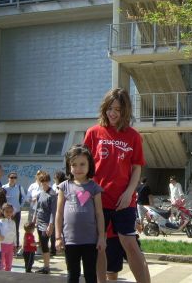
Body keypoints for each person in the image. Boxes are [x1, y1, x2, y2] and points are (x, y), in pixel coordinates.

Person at [84, 88, 150, 283]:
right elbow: (83, 165)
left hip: (124, 200)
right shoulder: (93, 133)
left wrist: (130, 192)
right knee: (100, 245)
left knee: (130, 243)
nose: (112, 113)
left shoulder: (133, 136)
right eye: (109, 108)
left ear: (125, 112)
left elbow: (137, 168)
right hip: (98, 200)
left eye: (118, 110)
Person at [55, 145, 105, 283]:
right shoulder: (64, 186)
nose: (78, 168)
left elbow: (99, 214)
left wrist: (101, 237)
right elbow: (59, 213)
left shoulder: (94, 187)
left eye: (82, 164)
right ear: (68, 166)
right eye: (74, 165)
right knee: (73, 274)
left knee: (90, 275)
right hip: (70, 240)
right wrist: (58, 237)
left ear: (90, 165)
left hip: (90, 240)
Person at [32, 170, 56, 274]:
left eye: (45, 181)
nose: (44, 183)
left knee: (45, 244)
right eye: (42, 181)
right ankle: (45, 266)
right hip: (39, 221)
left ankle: (46, 267)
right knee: (42, 243)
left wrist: (50, 225)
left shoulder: (52, 194)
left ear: (49, 181)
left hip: (47, 223)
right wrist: (34, 219)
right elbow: (37, 208)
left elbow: (53, 211)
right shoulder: (40, 194)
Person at [2, 172, 26, 252]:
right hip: (5, 212)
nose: (13, 179)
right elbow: (0, 198)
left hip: (16, 212)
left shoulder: (19, 187)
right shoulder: (4, 187)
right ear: (8, 178)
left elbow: (24, 197)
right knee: (5, 228)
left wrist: (20, 206)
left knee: (15, 229)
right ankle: (5, 245)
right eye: (11, 177)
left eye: (14, 177)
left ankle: (15, 247)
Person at [50, 170, 66, 256]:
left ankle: (63, 245)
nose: (54, 180)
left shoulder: (63, 186)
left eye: (55, 178)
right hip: (56, 210)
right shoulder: (54, 186)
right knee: (56, 229)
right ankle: (55, 247)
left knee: (63, 228)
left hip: (63, 210)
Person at [0, 203, 16, 271]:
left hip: (10, 245)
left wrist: (15, 244)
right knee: (1, 264)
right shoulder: (0, 222)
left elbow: (14, 234)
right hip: (1, 244)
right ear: (3, 212)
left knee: (9, 263)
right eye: (7, 211)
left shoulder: (13, 222)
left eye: (11, 212)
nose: (9, 213)